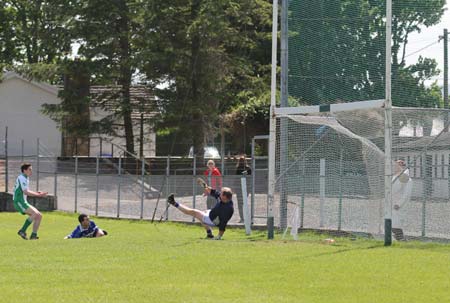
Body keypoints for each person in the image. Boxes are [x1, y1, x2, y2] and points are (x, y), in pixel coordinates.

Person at [167, 185, 234, 240]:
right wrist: (205, 186)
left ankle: (173, 202)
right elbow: (214, 192)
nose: (220, 193)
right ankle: (209, 233)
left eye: (221, 193)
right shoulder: (223, 198)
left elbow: (223, 223)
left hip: (213, 220)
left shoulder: (228, 209)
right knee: (202, 214)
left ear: (225, 197)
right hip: (212, 214)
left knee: (194, 212)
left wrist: (219, 236)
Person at [13, 163, 47, 240]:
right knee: (35, 214)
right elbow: (26, 192)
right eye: (29, 169)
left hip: (23, 201)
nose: (31, 171)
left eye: (31, 169)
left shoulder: (26, 178)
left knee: (39, 216)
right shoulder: (21, 178)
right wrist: (38, 195)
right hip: (19, 201)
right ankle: (22, 230)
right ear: (24, 170)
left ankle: (33, 235)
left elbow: (26, 191)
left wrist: (37, 193)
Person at [392, 159, 412, 241]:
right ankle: (399, 239)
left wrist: (399, 204)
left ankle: (401, 239)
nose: (397, 166)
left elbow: (406, 194)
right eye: (396, 164)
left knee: (396, 222)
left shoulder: (407, 179)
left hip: (397, 205)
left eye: (400, 164)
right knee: (389, 221)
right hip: (390, 203)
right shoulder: (394, 177)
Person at [235, 155, 252, 223]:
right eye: (241, 160)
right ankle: (242, 217)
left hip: (246, 188)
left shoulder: (248, 168)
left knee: (243, 203)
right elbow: (236, 178)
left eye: (243, 160)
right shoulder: (238, 168)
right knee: (240, 203)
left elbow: (250, 177)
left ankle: (245, 217)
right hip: (239, 188)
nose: (242, 162)